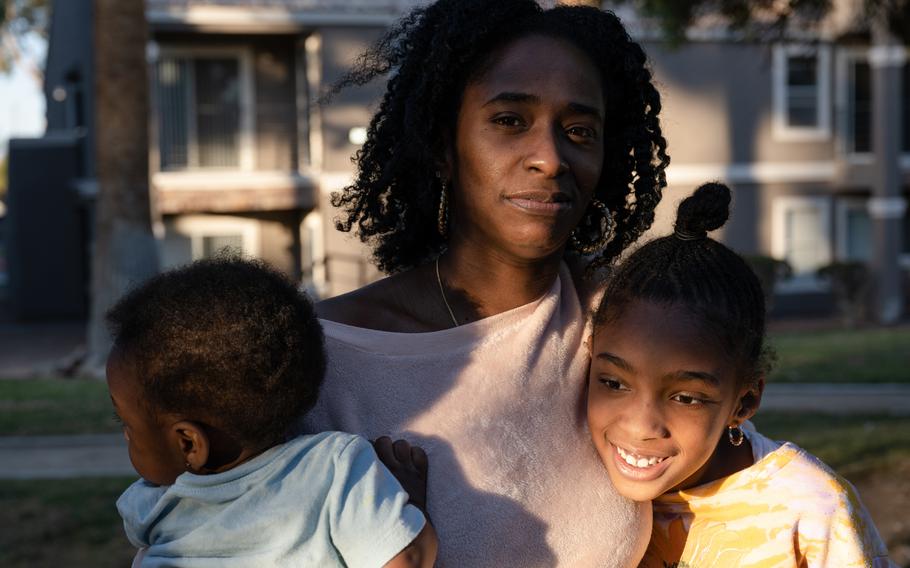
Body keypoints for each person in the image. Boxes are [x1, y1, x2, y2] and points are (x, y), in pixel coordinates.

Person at [303, 0, 670, 565]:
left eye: (579, 130)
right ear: (443, 147)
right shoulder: (320, 361)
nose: (550, 158)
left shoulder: (624, 324)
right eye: (508, 121)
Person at [587, 182, 895, 567]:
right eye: (614, 383)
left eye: (685, 397)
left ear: (744, 402)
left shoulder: (811, 508)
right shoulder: (576, 468)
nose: (640, 426)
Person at [105, 256, 437, 567]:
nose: (125, 434)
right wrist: (411, 505)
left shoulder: (152, 503)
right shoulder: (332, 467)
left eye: (128, 424)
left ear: (190, 444)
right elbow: (405, 560)